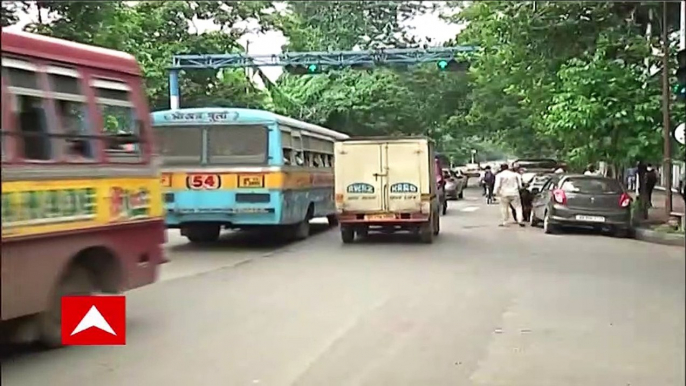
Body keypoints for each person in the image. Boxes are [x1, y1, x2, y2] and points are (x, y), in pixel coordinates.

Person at [494, 163, 525, 227]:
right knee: (518, 207)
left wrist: (495, 193)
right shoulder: (515, 175)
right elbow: (520, 185)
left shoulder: (499, 175)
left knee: (504, 208)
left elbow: (497, 185)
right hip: (514, 192)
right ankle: (520, 220)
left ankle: (505, 221)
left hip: (504, 193)